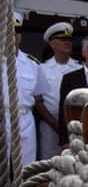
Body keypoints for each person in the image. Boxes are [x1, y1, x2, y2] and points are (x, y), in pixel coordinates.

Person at [5, 12, 51, 167]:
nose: (14, 35)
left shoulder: (33, 64)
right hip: (2, 116)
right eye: (9, 30)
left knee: (26, 166)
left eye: (17, 31)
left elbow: (38, 97)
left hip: (25, 118)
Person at [37, 21, 80, 159]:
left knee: (73, 163)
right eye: (63, 39)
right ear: (52, 44)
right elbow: (38, 101)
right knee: (49, 164)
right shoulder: (42, 69)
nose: (68, 42)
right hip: (49, 125)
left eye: (69, 40)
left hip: (74, 126)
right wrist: (55, 125)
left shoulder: (79, 68)